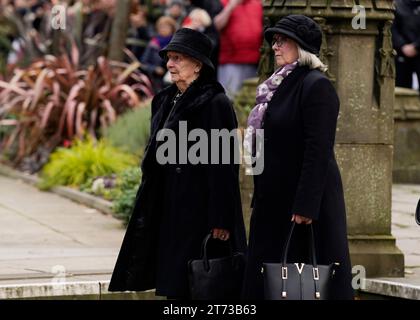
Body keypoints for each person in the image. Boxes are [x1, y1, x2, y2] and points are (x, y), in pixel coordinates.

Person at [108, 28, 247, 299]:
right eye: (169, 57)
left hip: (200, 211)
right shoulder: (164, 99)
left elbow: (224, 167)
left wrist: (221, 218)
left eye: (178, 58)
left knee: (198, 283)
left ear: (198, 65)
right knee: (172, 281)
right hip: (167, 204)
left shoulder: (215, 103)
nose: (170, 64)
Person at [241, 15, 354, 300]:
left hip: (303, 209)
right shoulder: (278, 86)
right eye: (274, 41)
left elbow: (319, 150)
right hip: (274, 203)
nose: (275, 47)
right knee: (269, 282)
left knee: (301, 286)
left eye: (283, 41)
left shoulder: (316, 85)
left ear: (301, 47)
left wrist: (305, 206)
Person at [214, 0, 262, 99]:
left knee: (250, 99)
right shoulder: (223, 2)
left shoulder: (257, 4)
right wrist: (231, 6)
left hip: (254, 60)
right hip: (231, 61)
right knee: (229, 98)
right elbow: (216, 25)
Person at [392, 0, 420, 92]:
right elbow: (392, 29)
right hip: (401, 54)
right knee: (401, 90)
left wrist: (416, 46)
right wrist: (402, 46)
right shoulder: (397, 6)